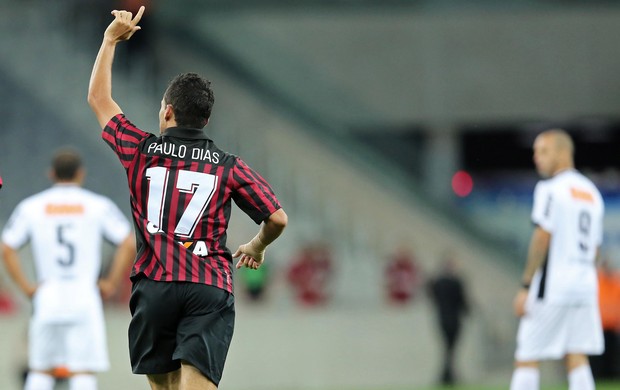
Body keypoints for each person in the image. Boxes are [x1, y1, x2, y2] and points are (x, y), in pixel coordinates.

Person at [87, 7, 288, 390]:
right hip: (207, 285)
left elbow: (99, 99)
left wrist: (110, 40)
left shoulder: (141, 150)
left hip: (155, 285)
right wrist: (257, 247)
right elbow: (277, 218)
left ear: (167, 112)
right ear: (205, 121)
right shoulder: (229, 166)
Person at [1, 148, 135, 390]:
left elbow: (7, 247)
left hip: (48, 295)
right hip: (85, 296)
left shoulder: (32, 206)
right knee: (82, 370)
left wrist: (27, 288)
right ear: (80, 174)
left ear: (51, 174)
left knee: (41, 368)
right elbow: (127, 241)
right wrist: (111, 283)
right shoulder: (97, 205)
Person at [510, 129, 604, 390]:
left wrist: (526, 286)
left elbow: (543, 236)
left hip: (554, 286)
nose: (537, 158)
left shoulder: (550, 189)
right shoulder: (591, 193)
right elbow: (596, 249)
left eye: (543, 151)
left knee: (527, 355)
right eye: (535, 153)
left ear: (563, 153)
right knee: (577, 355)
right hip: (584, 286)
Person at [427, 253, 469, 385]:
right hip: (454, 319)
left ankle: (447, 374)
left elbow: (431, 296)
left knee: (448, 348)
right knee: (450, 348)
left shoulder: (437, 282)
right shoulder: (456, 282)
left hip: (442, 318)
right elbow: (463, 302)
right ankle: (447, 375)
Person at [590, 259, 620, 380]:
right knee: (597, 356)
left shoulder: (616, 282)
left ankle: (612, 377)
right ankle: (597, 377)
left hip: (612, 327)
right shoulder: (597, 281)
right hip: (599, 327)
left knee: (613, 358)